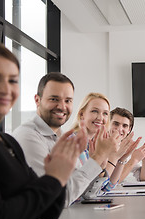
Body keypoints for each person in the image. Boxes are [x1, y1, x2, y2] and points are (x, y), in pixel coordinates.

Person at [0, 41, 86, 219]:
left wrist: (60, 169)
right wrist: (55, 178)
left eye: (12, 80)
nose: (5, 88)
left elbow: (49, 210)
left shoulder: (7, 142)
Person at [13, 75, 117, 208]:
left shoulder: (60, 137)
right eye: (54, 99)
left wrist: (99, 165)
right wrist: (98, 158)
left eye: (68, 101)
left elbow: (83, 192)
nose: (62, 106)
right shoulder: (29, 137)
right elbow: (59, 198)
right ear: (37, 100)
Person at [106, 107, 145, 182]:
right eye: (116, 124)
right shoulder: (100, 146)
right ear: (108, 124)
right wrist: (134, 160)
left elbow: (143, 178)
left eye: (125, 126)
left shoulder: (124, 147)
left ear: (129, 130)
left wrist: (144, 156)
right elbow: (110, 182)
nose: (120, 129)